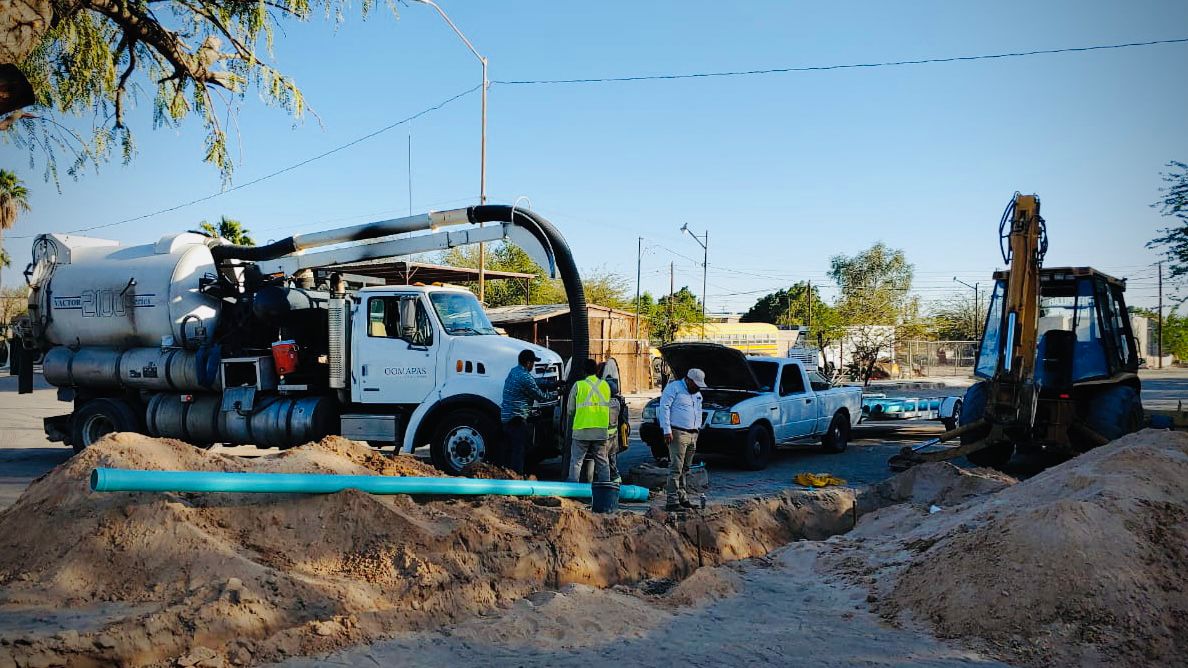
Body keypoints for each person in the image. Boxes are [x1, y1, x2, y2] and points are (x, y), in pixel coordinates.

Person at [657, 368, 706, 511]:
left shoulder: (697, 393)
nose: (697, 387)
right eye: (695, 384)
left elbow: (698, 411)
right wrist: (667, 430)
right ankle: (672, 501)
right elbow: (664, 407)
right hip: (678, 432)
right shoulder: (674, 388)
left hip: (693, 434)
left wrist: (697, 428)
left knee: (685, 468)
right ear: (689, 380)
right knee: (676, 468)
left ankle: (682, 498)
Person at [500, 349, 553, 474]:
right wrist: (557, 393)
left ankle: (506, 475)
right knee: (518, 451)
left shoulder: (515, 371)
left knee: (509, 450)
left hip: (507, 417)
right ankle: (516, 478)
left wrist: (551, 383)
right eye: (533, 363)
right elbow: (540, 396)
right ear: (528, 363)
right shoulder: (525, 378)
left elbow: (533, 381)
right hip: (517, 419)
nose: (533, 365)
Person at [566, 358, 612, 483]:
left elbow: (570, 410)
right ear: (597, 371)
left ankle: (573, 492)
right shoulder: (605, 386)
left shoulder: (578, 386)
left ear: (583, 371)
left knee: (576, 462)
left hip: (582, 431)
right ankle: (606, 490)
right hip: (601, 431)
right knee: (602, 462)